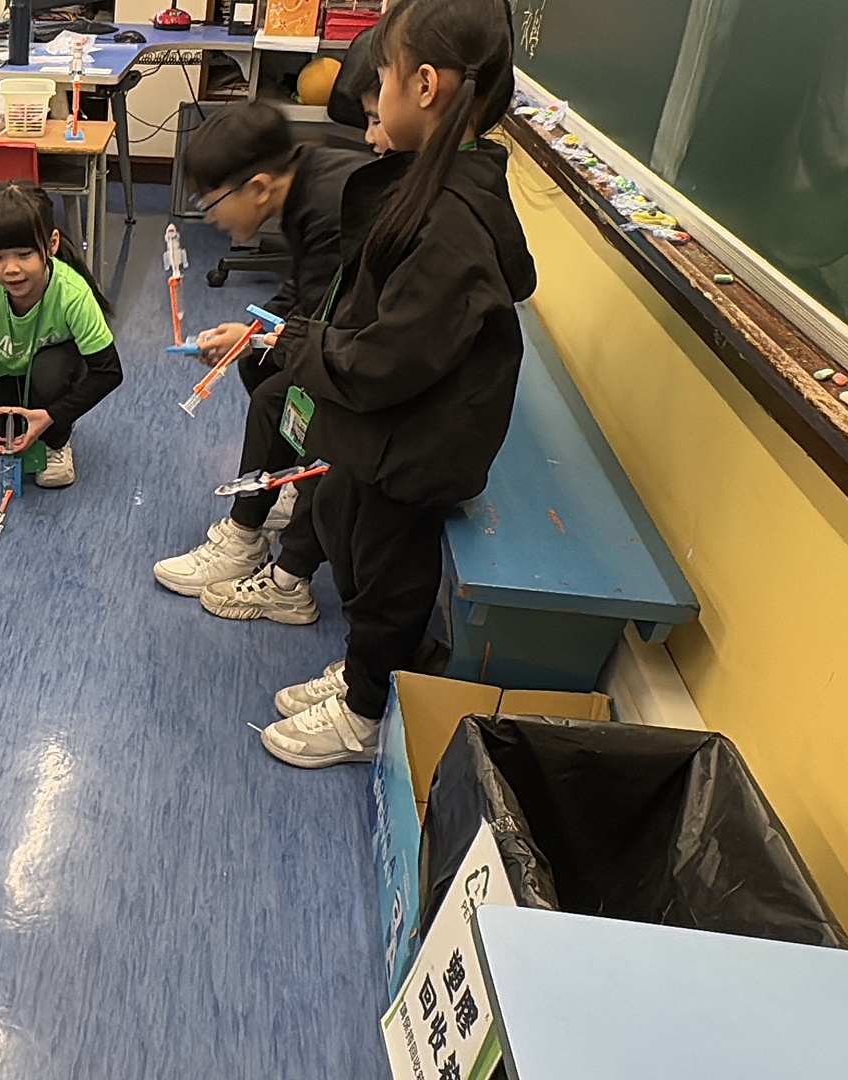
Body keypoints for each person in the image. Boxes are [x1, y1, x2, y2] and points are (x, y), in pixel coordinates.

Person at [261, 0, 534, 767]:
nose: (374, 101)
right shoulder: (431, 180)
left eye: (382, 77)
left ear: (424, 86)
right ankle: (363, 672)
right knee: (342, 518)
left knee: (386, 573)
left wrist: (301, 344)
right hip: (395, 420)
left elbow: (387, 361)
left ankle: (367, 710)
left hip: (424, 438)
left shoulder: (452, 221)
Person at [149, 100, 373, 623]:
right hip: (358, 338)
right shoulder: (307, 181)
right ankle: (286, 485)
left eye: (211, 203)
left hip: (385, 358)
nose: (210, 217)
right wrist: (251, 334)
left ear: (258, 187)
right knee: (257, 363)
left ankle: (253, 542)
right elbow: (305, 292)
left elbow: (329, 326)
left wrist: (263, 338)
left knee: (279, 397)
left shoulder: (329, 209)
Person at [0, 181, 120, 488]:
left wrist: (53, 416)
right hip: (5, 374)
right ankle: (30, 419)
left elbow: (109, 372)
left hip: (50, 377)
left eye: (24, 254)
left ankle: (57, 441)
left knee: (49, 372)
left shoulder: (72, 293)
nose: (11, 269)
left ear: (52, 244)